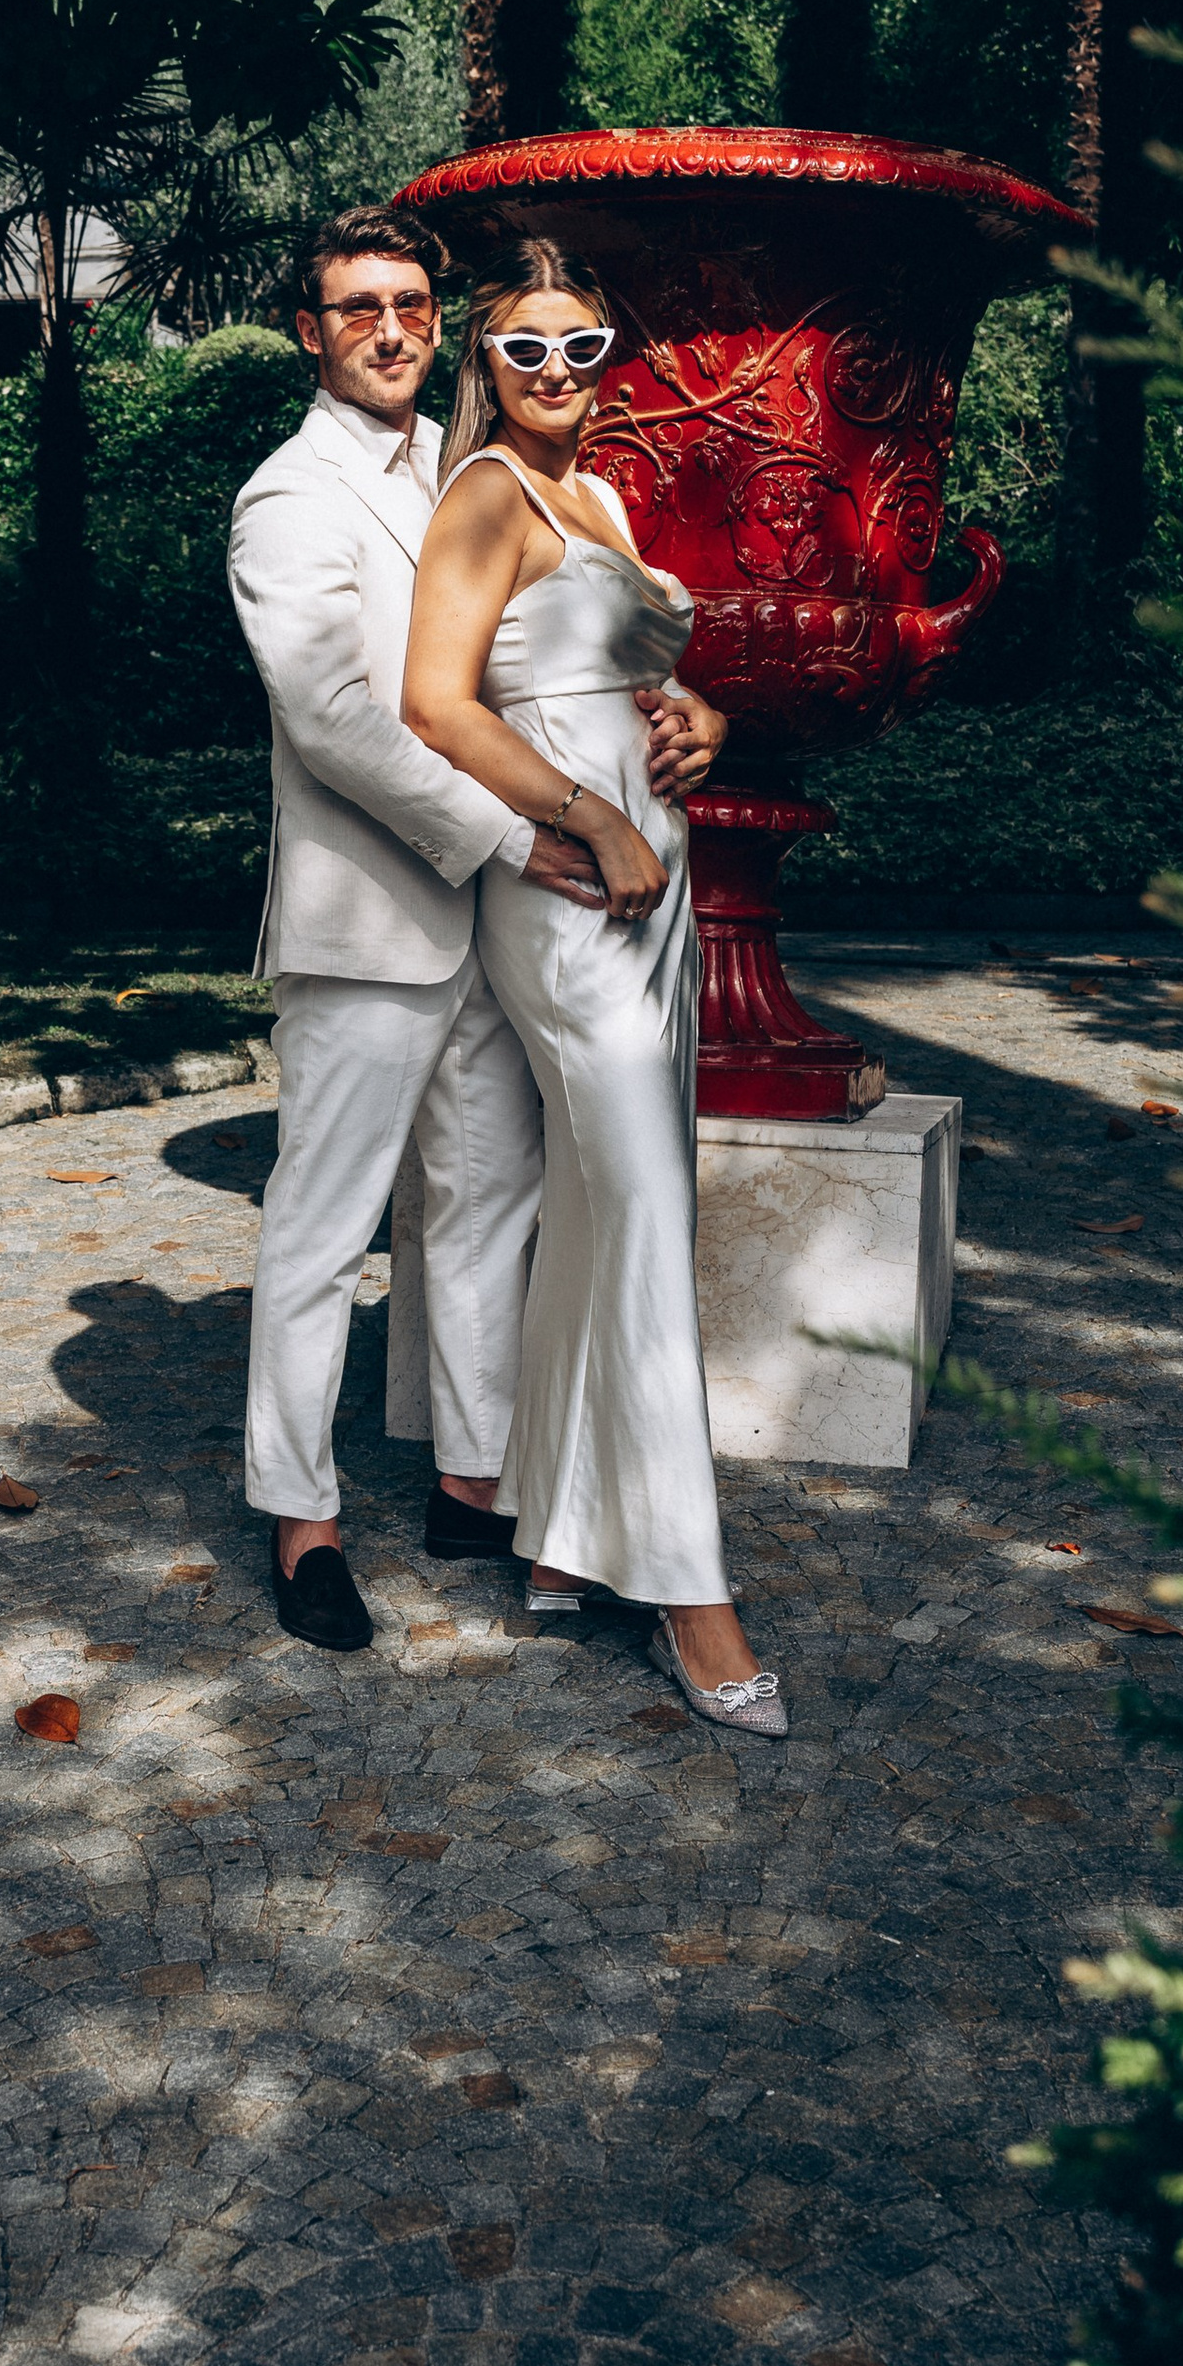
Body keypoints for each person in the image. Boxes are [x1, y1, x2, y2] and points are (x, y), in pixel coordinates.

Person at [227, 205, 725, 1652]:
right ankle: (303, 1518)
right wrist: (529, 830)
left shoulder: (475, 469)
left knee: (488, 1209)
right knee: (323, 1231)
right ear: (311, 334)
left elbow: (543, 661)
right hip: (382, 910)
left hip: (510, 920)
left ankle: (474, 1477)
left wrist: (677, 714)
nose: (389, 327)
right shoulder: (287, 499)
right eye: (356, 308)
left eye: (408, 304)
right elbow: (337, 722)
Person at [401, 233, 787, 1738]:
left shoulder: (604, 498)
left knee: (616, 1200)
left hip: (659, 879)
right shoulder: (487, 496)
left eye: (581, 347)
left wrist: (694, 720)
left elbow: (622, 676)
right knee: (638, 1213)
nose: (557, 372)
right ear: (481, 367)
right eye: (525, 349)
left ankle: (561, 1539)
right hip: (570, 887)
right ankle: (691, 1594)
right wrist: (592, 810)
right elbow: (440, 702)